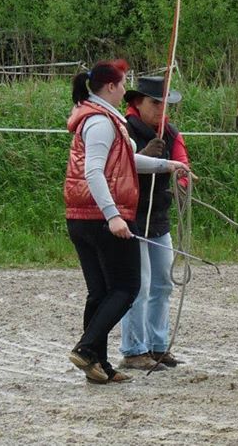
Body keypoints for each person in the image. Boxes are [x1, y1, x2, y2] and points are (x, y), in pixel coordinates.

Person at [65, 60, 189, 384]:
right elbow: (93, 170)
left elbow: (125, 160)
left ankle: (98, 364)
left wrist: (167, 164)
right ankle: (87, 348)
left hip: (84, 216)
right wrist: (113, 215)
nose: (124, 89)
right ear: (110, 88)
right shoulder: (101, 122)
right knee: (127, 287)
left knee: (101, 292)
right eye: (121, 84)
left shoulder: (101, 119)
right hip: (99, 217)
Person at [119, 76, 196, 370]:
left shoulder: (171, 134)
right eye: (155, 103)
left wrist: (183, 180)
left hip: (158, 217)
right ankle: (133, 349)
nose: (162, 110)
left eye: (165, 104)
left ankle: (157, 345)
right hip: (131, 217)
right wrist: (141, 157)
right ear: (137, 102)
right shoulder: (123, 130)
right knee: (139, 285)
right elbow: (117, 165)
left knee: (162, 284)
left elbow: (182, 162)